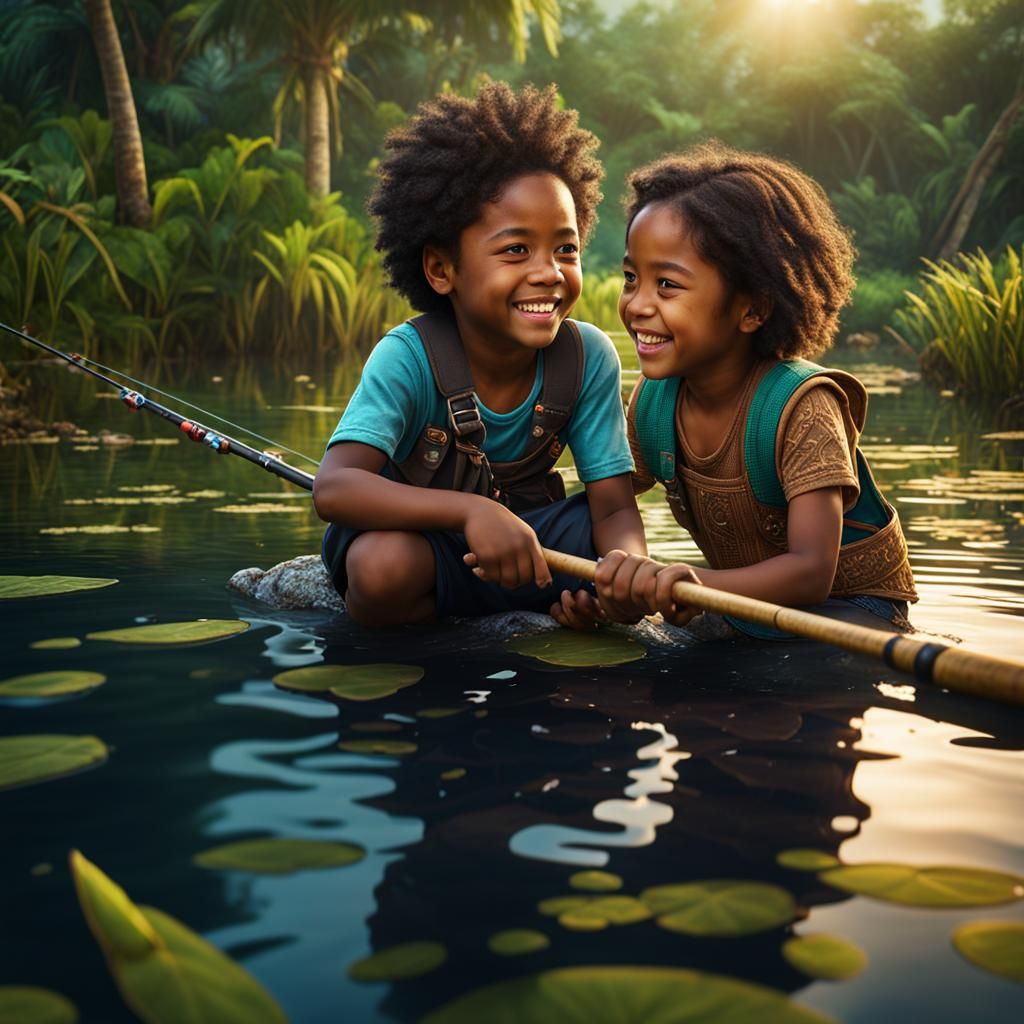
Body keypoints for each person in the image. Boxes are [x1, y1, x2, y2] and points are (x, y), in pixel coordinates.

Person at [313, 82, 646, 627]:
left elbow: (613, 508)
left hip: (532, 543)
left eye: (565, 249)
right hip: (430, 542)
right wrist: (472, 511)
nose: (549, 272)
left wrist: (624, 575)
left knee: (607, 549)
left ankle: (556, 605)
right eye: (516, 250)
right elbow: (334, 488)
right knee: (380, 566)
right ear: (441, 270)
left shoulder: (588, 356)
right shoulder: (408, 356)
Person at [594, 142, 917, 635]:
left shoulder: (803, 407)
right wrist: (612, 585)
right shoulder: (654, 401)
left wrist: (693, 584)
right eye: (631, 278)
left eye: (667, 285)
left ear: (753, 309)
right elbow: (610, 504)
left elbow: (811, 572)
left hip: (852, 613)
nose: (637, 304)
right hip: (740, 605)